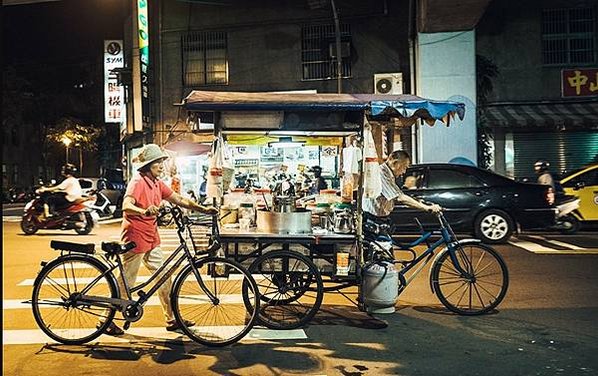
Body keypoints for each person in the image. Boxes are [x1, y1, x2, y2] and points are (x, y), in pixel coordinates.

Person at [99, 144, 218, 336]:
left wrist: (203, 209)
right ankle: (105, 321)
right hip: (135, 236)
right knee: (126, 281)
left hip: (152, 235)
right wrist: (143, 211)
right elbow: (126, 205)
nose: (162, 167)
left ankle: (172, 319)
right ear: (148, 166)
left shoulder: (156, 183)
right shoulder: (138, 182)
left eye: (162, 163)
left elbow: (178, 199)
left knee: (164, 275)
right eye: (158, 164)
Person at [363, 150, 441, 220]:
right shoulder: (381, 173)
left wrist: (420, 203)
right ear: (395, 163)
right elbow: (400, 198)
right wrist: (427, 208)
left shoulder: (389, 175)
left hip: (381, 217)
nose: (404, 172)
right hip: (372, 218)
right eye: (404, 167)